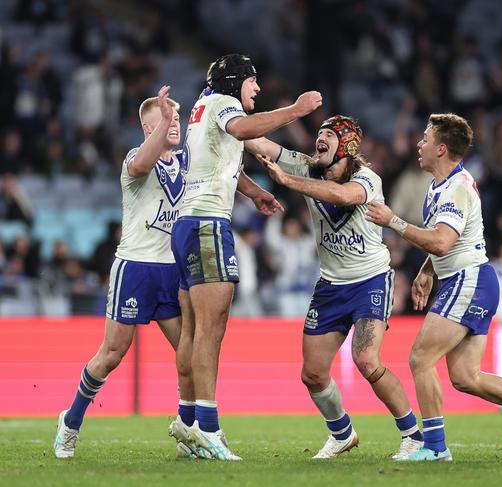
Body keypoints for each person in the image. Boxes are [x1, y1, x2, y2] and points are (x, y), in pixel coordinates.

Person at [365, 113, 502, 461]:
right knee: (466, 377)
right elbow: (448, 243)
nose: (419, 144)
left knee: (420, 358)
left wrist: (393, 221)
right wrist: (428, 270)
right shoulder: (442, 186)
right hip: (473, 280)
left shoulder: (456, 189)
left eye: (425, 139)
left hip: (468, 280)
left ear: (441, 149)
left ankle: (435, 447)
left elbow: (443, 242)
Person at [170, 53, 321, 461]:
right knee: (210, 329)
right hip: (207, 224)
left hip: (187, 223)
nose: (257, 88)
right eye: (252, 81)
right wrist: (296, 110)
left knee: (192, 330)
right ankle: (209, 428)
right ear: (236, 81)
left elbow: (229, 153)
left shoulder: (202, 108)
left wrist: (254, 192)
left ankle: (188, 425)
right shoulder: (225, 105)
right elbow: (242, 128)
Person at [248, 115, 424, 460]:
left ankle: (413, 436)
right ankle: (341, 433)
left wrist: (288, 181)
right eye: (319, 134)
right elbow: (262, 144)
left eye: (328, 135)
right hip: (330, 285)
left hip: (371, 279)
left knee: (366, 359)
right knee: (312, 374)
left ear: (347, 145)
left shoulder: (367, 179)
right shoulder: (306, 165)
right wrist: (228, 126)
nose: (320, 140)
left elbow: (343, 196)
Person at [54, 86, 195, 459]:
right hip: (134, 267)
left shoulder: (185, 164)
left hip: (172, 273)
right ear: (148, 129)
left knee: (190, 355)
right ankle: (70, 422)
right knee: (113, 353)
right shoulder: (135, 159)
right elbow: (140, 166)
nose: (174, 123)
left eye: (177, 118)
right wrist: (163, 121)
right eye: (166, 119)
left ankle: (188, 436)